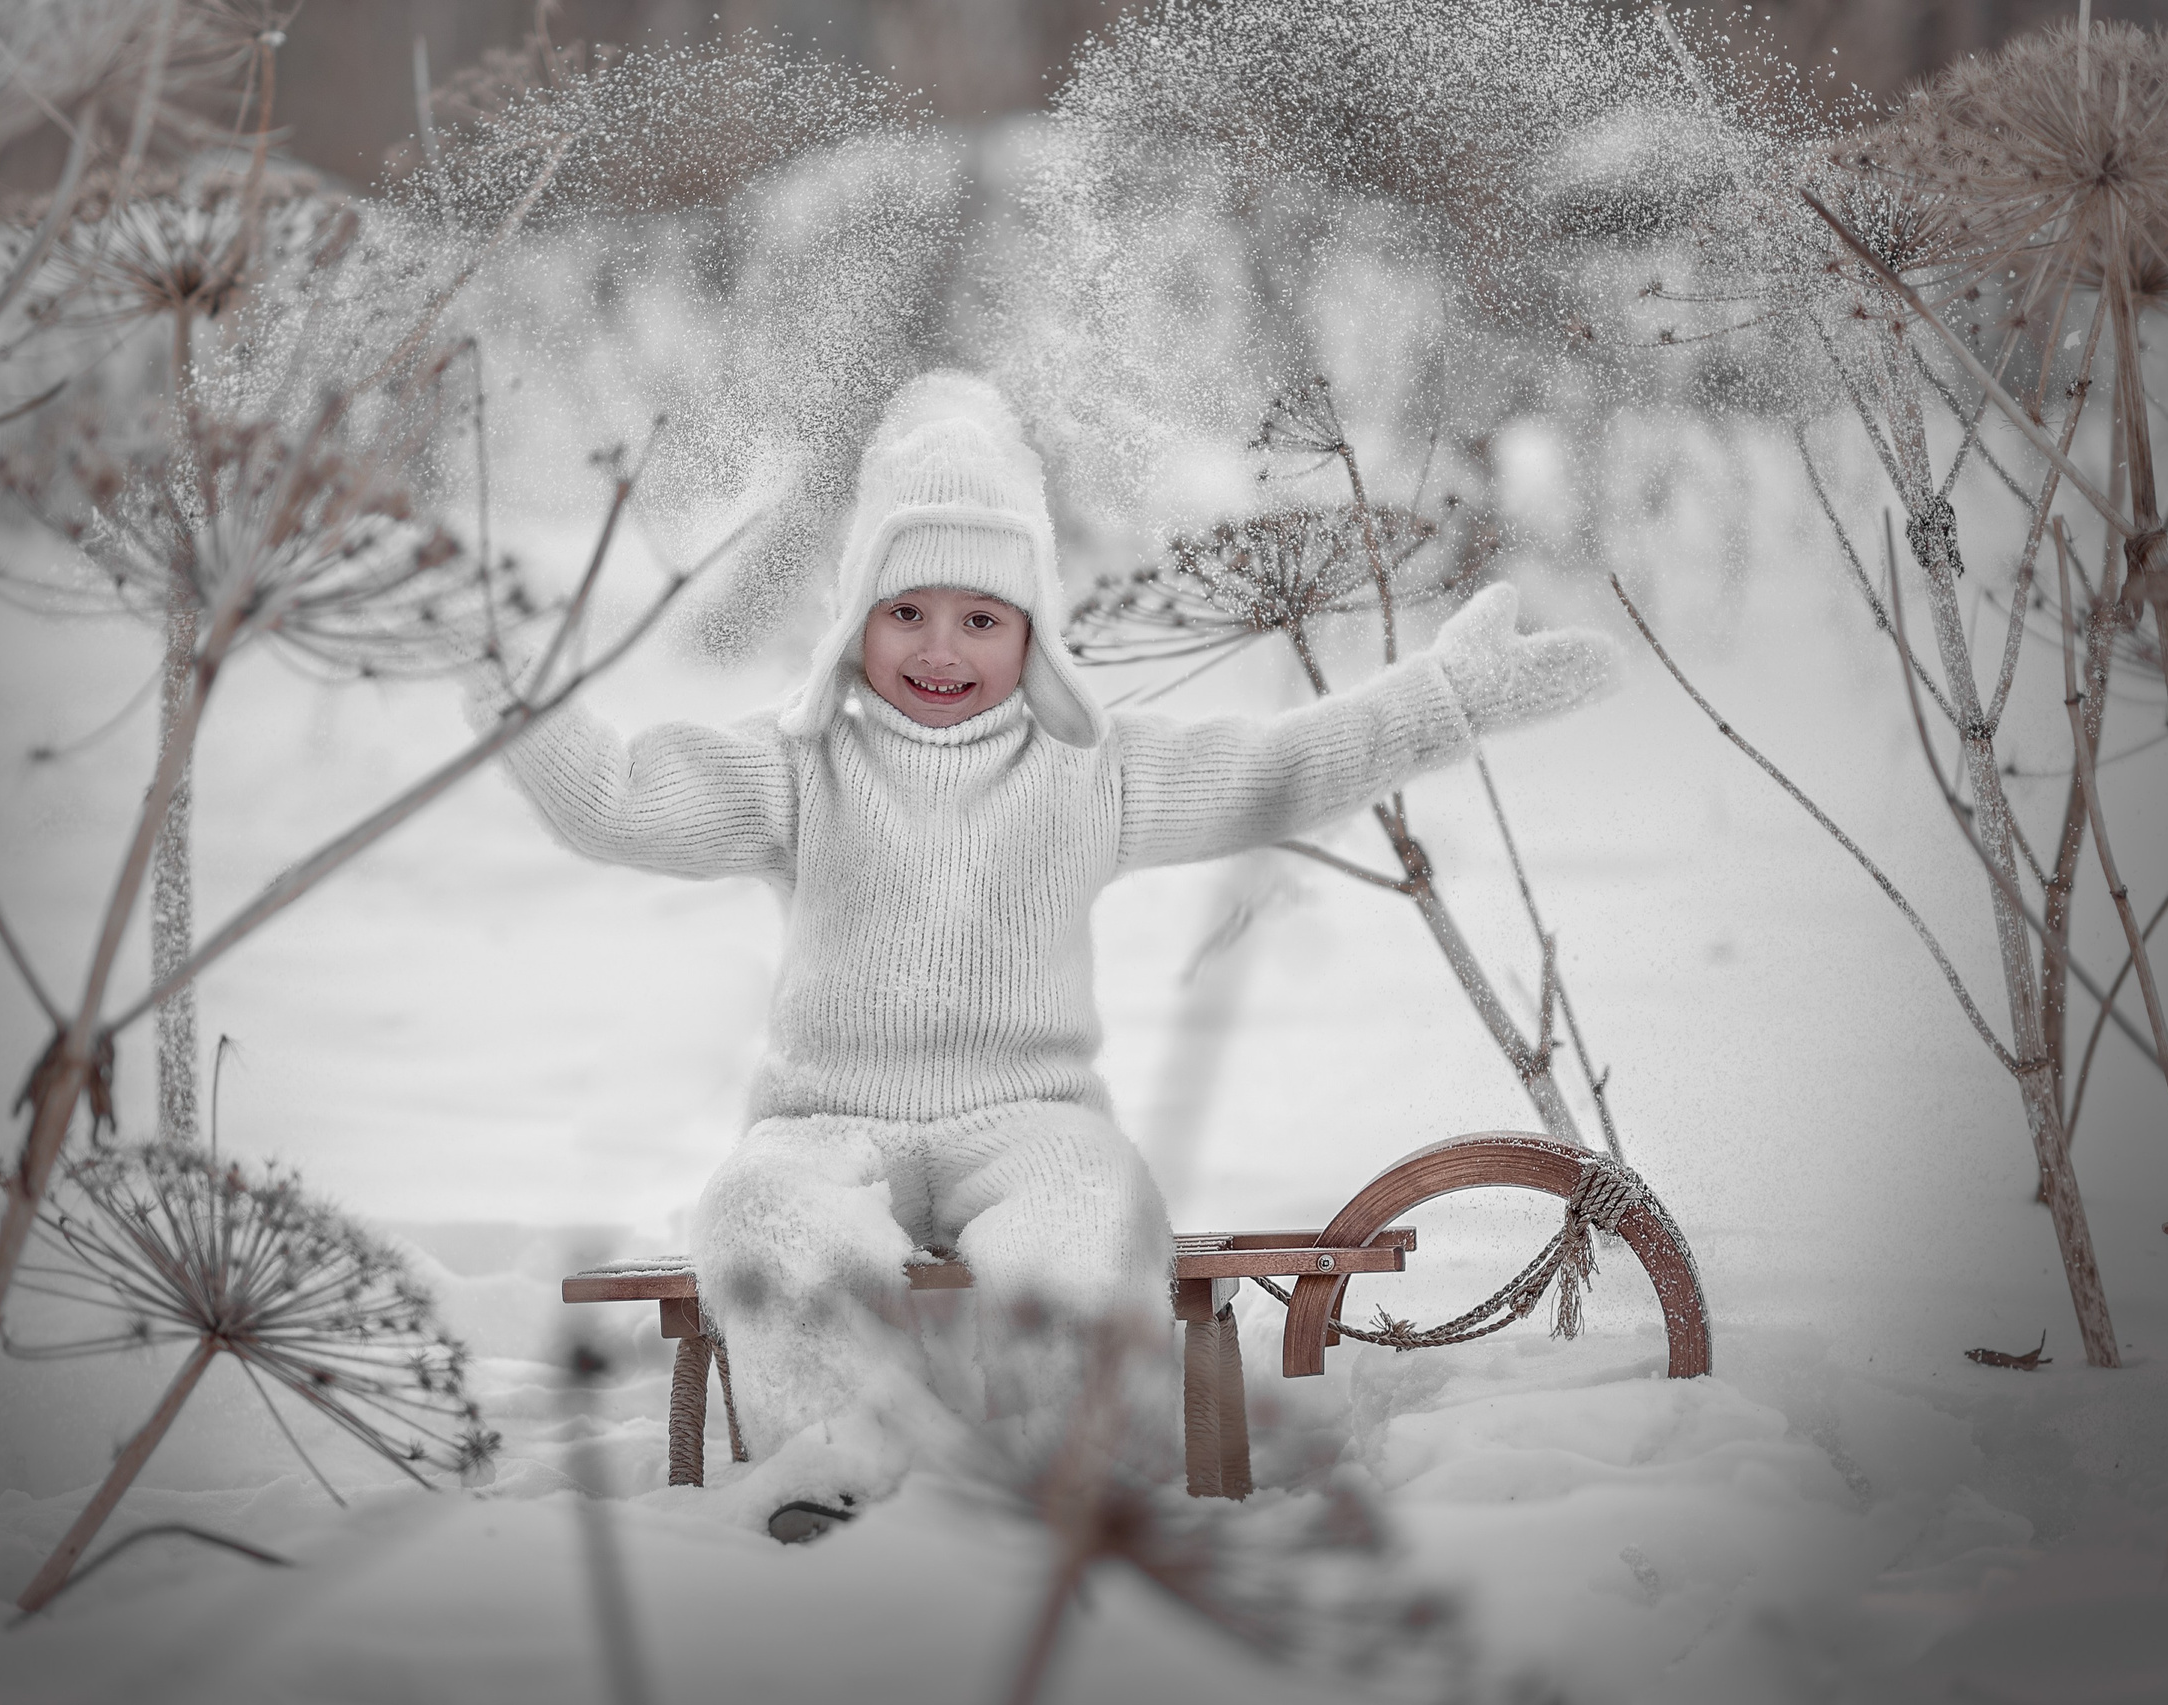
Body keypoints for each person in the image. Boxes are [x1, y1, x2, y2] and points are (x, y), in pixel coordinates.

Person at [479, 371, 1613, 1538]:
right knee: (758, 1211)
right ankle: (834, 1458)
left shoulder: (1094, 771)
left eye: (982, 618)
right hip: (827, 1118)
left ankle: (1051, 1467)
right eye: (906, 611)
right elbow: (613, 802)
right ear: (855, 619)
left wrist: (1447, 698)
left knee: (1092, 1210)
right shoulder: (794, 763)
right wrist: (502, 678)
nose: (941, 647)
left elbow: (1281, 769)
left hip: (1029, 1116)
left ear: (1032, 634)